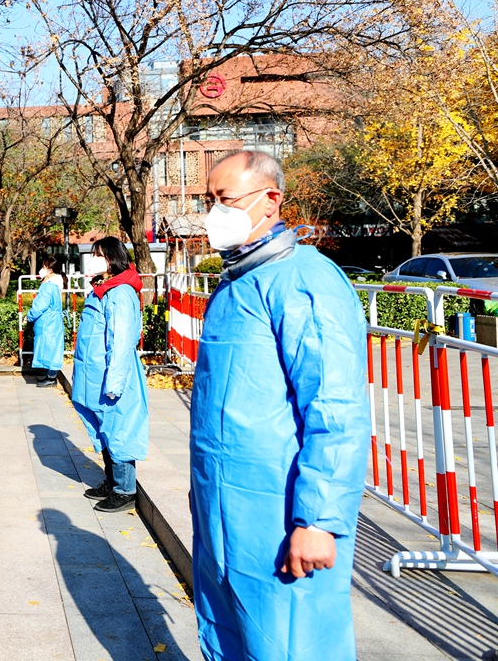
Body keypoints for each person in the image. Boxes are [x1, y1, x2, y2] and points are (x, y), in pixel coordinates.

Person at [191, 151, 369, 660]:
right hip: (226, 514)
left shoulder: (303, 281)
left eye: (224, 200)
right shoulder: (236, 284)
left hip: (281, 513)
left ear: (271, 200)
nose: (213, 213)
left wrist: (319, 521)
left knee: (291, 643)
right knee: (230, 638)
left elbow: (335, 409)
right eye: (210, 201)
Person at [71, 237, 149, 512]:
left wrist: (114, 381)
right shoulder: (104, 289)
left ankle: (125, 489)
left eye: (99, 255)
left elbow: (120, 340)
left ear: (113, 258)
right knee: (103, 429)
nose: (94, 259)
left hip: (111, 374)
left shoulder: (120, 292)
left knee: (119, 429)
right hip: (95, 373)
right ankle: (111, 479)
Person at [26, 255, 65, 387]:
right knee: (53, 349)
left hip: (47, 322)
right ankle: (50, 376)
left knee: (48, 349)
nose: (41, 269)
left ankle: (50, 378)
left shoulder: (48, 286)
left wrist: (29, 316)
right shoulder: (56, 285)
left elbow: (40, 305)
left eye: (43, 267)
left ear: (50, 270)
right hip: (53, 322)